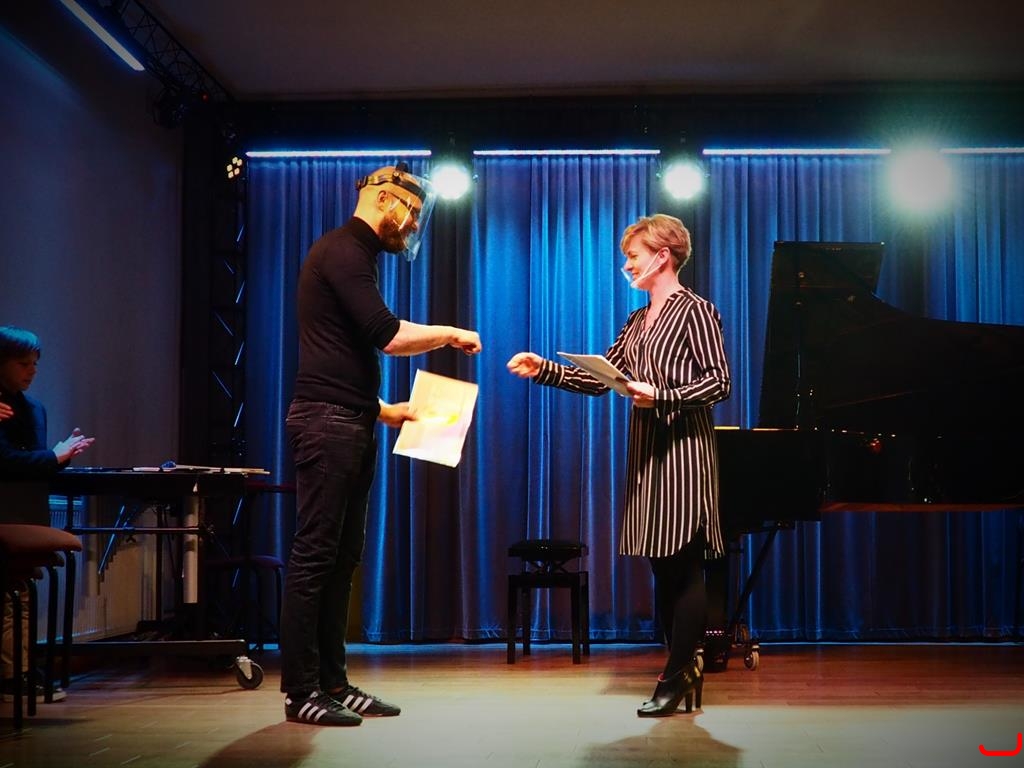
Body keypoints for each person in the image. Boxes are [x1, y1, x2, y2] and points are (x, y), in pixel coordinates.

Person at [280, 163, 482, 727]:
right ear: (385, 198)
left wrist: (383, 410)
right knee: (316, 558)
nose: (414, 223)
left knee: (341, 560)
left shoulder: (355, 256)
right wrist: (450, 333)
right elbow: (386, 336)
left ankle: (333, 683)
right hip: (328, 425)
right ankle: (301, 691)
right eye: (411, 211)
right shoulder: (344, 251)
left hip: (349, 419)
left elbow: (337, 349)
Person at [506, 214, 731, 717]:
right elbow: (599, 380)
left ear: (662, 256)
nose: (626, 264)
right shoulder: (636, 320)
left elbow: (719, 382)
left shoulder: (696, 311)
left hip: (684, 451)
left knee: (684, 564)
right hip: (648, 451)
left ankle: (678, 672)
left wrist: (663, 395)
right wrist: (543, 369)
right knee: (662, 565)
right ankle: (682, 666)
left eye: (633, 255)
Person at [0, 325, 95, 702]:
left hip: (25, 510)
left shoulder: (33, 408)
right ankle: (12, 674)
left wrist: (59, 456)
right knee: (11, 596)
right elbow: (6, 461)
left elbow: (32, 464)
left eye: (35, 364)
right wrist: (54, 456)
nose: (32, 371)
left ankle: (19, 671)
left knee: (20, 592)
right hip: (5, 512)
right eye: (23, 364)